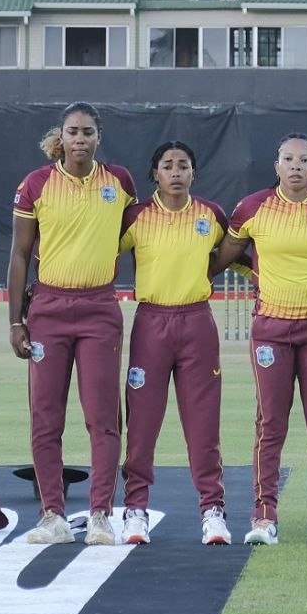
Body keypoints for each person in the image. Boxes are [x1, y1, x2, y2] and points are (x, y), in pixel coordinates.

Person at [211, 133, 307, 546]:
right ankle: (263, 518)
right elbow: (223, 257)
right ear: (276, 166)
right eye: (288, 159)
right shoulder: (252, 208)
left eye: (304, 160)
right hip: (271, 331)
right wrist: (250, 273)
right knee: (270, 424)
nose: (296, 166)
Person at [7, 102, 136, 545]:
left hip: (100, 308)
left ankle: (100, 515)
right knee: (46, 417)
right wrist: (15, 322)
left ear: (99, 137)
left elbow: (135, 236)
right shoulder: (36, 184)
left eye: (87, 132)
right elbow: (20, 254)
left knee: (103, 417)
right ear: (60, 137)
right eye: (72, 132)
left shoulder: (119, 182)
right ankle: (52, 516)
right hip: (48, 310)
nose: (79, 139)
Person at [118, 141, 234, 546]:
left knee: (203, 425)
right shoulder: (136, 216)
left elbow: (235, 253)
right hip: (151, 325)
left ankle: (213, 511)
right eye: (167, 165)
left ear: (193, 173)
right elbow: (100, 251)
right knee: (143, 423)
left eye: (184, 165)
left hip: (197, 323)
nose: (176, 172)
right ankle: (135, 510)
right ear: (155, 174)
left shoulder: (210, 215)